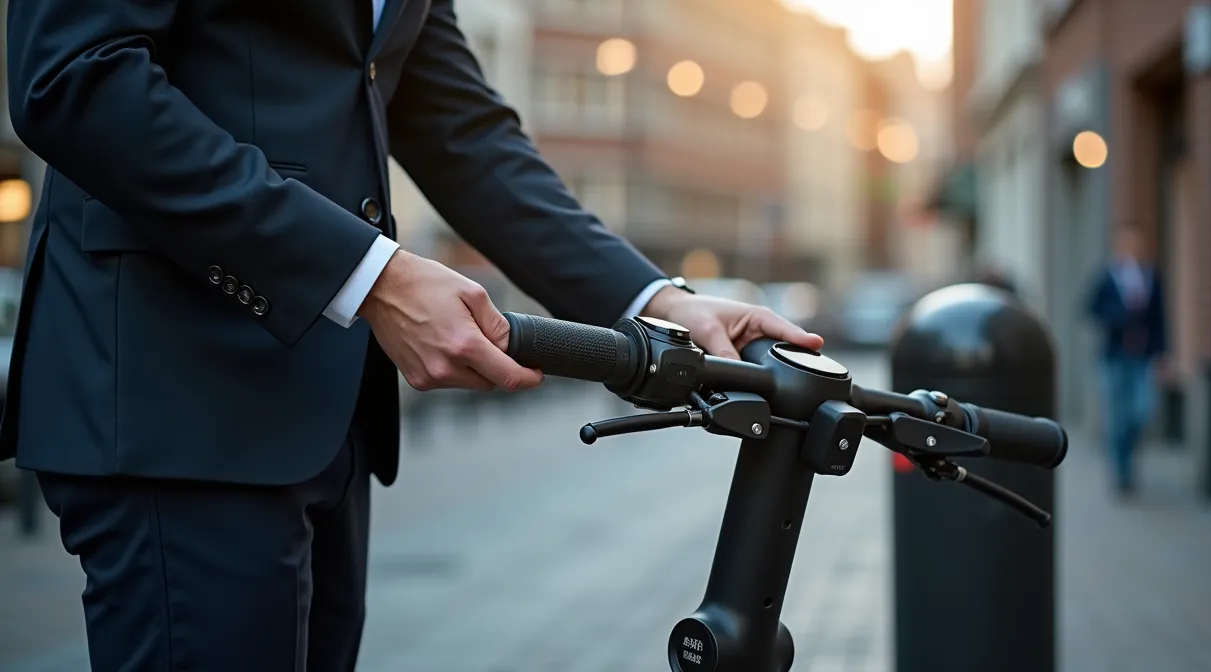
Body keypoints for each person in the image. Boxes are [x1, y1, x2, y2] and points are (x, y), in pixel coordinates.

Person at [0, 2, 823, 670]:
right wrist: (368, 274)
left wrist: (655, 300)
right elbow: (76, 75)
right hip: (174, 397)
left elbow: (460, 129)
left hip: (326, 410)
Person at [1085, 223, 1167, 498]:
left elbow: (1160, 318)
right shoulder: (1108, 277)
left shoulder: (1151, 276)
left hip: (1143, 357)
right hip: (1115, 357)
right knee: (1117, 417)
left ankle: (1128, 456)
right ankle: (1122, 474)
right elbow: (1091, 309)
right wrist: (1119, 318)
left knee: (1142, 411)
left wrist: (1163, 352)